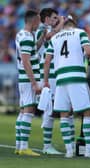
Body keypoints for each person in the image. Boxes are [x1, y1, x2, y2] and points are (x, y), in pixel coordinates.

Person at [43, 16, 90, 159]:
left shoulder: (55, 38)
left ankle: (69, 150)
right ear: (75, 23)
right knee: (88, 112)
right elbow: (89, 52)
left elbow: (47, 61)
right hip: (76, 76)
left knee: (64, 114)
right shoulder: (80, 33)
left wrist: (46, 81)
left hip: (60, 79)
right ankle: (89, 150)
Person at [35, 7, 64, 155]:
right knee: (48, 109)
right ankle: (47, 146)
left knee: (55, 109)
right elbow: (49, 37)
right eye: (54, 18)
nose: (57, 20)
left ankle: (51, 144)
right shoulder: (42, 29)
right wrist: (63, 22)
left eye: (57, 18)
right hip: (47, 75)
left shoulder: (48, 30)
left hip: (54, 74)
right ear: (46, 19)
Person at [15, 9, 41, 156]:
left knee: (23, 110)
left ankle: (19, 146)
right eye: (38, 20)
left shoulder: (21, 34)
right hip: (27, 78)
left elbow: (30, 51)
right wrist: (34, 82)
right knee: (29, 110)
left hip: (22, 78)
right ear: (33, 21)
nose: (39, 24)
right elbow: (26, 61)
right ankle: (24, 147)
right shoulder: (27, 37)